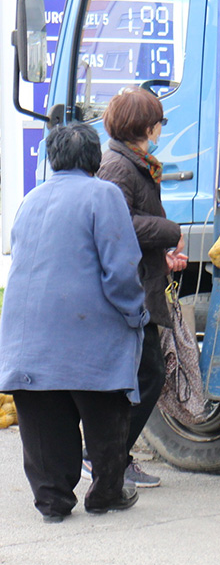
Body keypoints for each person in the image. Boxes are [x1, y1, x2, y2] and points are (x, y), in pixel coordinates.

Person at [0, 123, 149, 522]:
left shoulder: (30, 199)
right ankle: (106, 494)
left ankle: (52, 502)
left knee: (44, 419)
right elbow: (120, 270)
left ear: (53, 157)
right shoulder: (104, 194)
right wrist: (135, 313)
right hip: (88, 333)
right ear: (95, 159)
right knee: (104, 411)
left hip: (26, 336)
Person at [96, 86, 188, 489]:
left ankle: (113, 455)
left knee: (142, 373)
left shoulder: (136, 162)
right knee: (146, 374)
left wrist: (162, 251)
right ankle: (105, 455)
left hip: (143, 279)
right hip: (127, 289)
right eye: (158, 122)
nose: (160, 129)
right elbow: (120, 223)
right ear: (146, 126)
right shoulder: (118, 166)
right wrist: (170, 231)